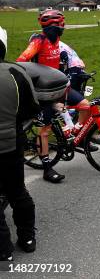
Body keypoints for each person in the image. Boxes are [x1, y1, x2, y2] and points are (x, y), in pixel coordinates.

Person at [16, 9, 91, 183]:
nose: (62, 28)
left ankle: (75, 133)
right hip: (43, 92)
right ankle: (47, 169)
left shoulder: (56, 40)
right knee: (44, 131)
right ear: (52, 26)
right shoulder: (39, 40)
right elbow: (22, 60)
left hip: (58, 87)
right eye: (60, 25)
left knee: (85, 105)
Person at [0, 27, 39, 262]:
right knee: (18, 192)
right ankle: (27, 238)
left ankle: (4, 250)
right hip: (12, 144)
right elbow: (32, 108)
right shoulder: (16, 71)